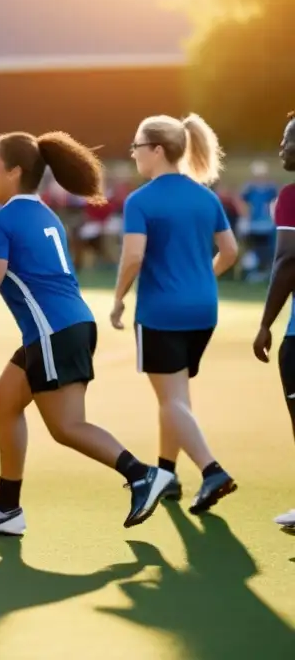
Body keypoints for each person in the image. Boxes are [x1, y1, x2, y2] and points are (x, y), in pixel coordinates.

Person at [0, 131, 173, 535]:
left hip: (53, 331)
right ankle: (6, 508)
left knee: (66, 427)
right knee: (5, 398)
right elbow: (23, 273)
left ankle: (142, 475)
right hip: (67, 325)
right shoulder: (44, 214)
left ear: (14, 172)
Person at [110, 113, 238, 515]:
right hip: (203, 310)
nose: (133, 155)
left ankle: (212, 470)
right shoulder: (206, 196)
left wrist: (117, 300)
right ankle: (166, 472)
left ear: (158, 150)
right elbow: (231, 252)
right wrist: (201, 277)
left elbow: (133, 257)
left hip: (161, 312)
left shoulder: (141, 200)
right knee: (176, 398)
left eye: (137, 147)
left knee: (171, 400)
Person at [252, 110, 295, 533]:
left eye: (289, 139)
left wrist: (266, 323)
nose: (282, 146)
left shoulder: (291, 196)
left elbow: (286, 261)